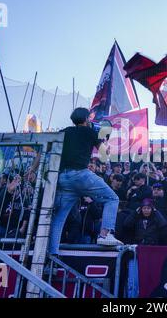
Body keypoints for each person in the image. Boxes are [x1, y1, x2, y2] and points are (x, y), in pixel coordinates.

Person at [49, 108, 123, 255]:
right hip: (80, 175)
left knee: (59, 217)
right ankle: (104, 234)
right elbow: (104, 155)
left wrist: (32, 169)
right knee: (112, 198)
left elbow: (47, 148)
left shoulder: (64, 131)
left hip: (62, 177)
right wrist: (104, 141)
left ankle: (52, 252)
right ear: (86, 119)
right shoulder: (90, 132)